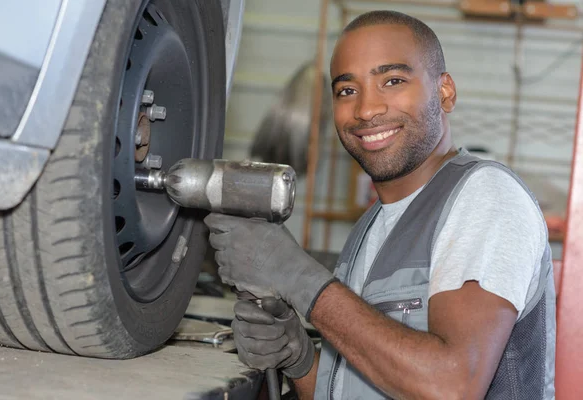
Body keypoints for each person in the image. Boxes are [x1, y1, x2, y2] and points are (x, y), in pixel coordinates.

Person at [205, 10, 556, 400]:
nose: (366, 110)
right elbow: (359, 386)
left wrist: (301, 280)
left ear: (445, 92)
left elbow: (451, 385)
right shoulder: (371, 227)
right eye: (347, 91)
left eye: (392, 81)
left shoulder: (484, 196)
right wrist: (300, 360)